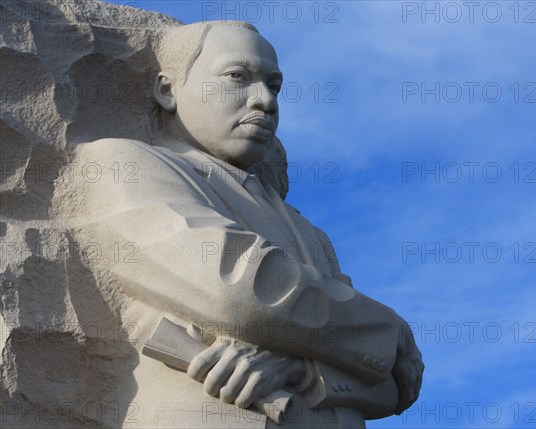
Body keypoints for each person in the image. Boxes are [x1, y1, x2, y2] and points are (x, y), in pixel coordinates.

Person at [64, 20, 423, 428]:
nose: (265, 101)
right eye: (238, 77)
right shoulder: (123, 163)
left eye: (274, 86)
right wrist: (385, 329)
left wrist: (301, 368)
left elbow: (395, 384)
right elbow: (235, 288)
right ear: (167, 90)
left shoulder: (311, 236)